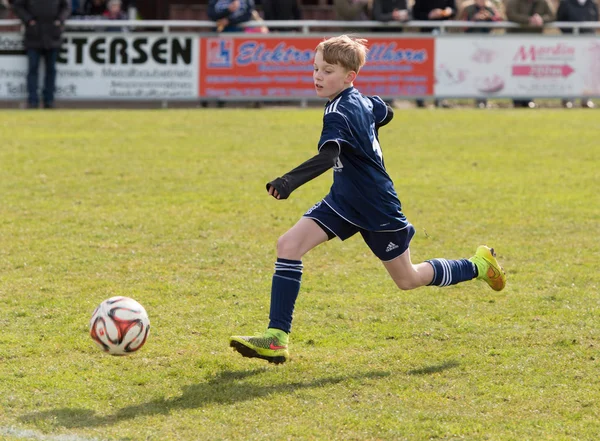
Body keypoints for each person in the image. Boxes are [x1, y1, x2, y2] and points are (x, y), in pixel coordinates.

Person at [229, 35, 507, 364]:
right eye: (316, 68)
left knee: (408, 279)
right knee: (288, 245)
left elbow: (330, 153)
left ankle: (477, 265)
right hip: (344, 201)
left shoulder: (338, 113)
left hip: (377, 207)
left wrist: (288, 181)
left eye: (328, 71)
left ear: (350, 76)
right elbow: (384, 111)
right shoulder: (359, 99)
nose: (318, 76)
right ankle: (276, 338)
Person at [12, 0, 71, 109]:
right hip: (34, 35)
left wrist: (59, 20)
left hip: (52, 35)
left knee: (51, 70)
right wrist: (29, 20)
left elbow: (66, 7)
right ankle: (32, 101)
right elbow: (17, 6)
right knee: (33, 69)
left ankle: (49, 101)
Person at [505, 0, 555, 108]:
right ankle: (517, 100)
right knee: (516, 72)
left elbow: (552, 16)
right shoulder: (514, 2)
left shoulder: (543, 3)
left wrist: (541, 19)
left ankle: (529, 99)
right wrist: (529, 20)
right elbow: (511, 14)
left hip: (535, 44)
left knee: (531, 72)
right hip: (516, 43)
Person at [412, 0, 456, 108]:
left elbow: (453, 9)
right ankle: (420, 99)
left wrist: (445, 12)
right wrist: (429, 15)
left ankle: (440, 99)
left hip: (443, 35)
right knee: (424, 68)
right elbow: (415, 13)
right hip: (426, 36)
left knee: (443, 68)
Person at [557, 0, 598, 108]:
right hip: (570, 45)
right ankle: (568, 99)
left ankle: (586, 99)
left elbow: (594, 22)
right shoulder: (566, 3)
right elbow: (560, 21)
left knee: (586, 73)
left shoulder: (591, 4)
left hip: (588, 45)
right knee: (570, 72)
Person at [461, 0, 502, 108]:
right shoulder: (467, 8)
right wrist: (475, 19)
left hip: (488, 46)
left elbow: (499, 22)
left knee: (486, 72)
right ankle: (477, 99)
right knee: (474, 72)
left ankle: (484, 99)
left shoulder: (491, 8)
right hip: (472, 45)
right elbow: (461, 25)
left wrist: (489, 18)